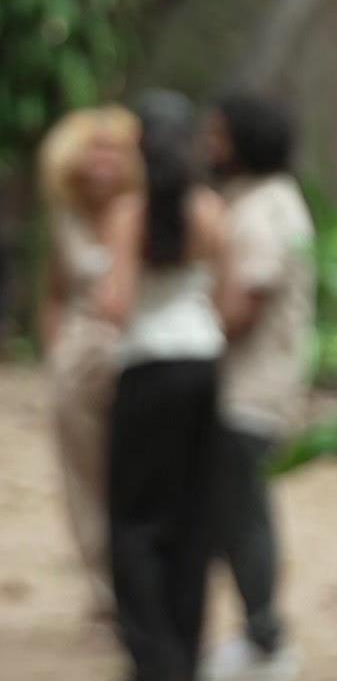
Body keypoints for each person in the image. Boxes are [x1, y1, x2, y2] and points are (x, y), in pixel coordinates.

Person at [97, 90, 230, 681]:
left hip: (147, 366)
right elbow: (223, 292)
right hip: (202, 363)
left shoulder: (129, 213)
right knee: (193, 516)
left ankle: (154, 657)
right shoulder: (210, 208)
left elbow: (116, 303)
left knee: (133, 520)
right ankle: (186, 648)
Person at [199, 92, 315, 681]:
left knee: (244, 519)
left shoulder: (263, 210)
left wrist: (187, 329)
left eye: (218, 135)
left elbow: (248, 299)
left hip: (251, 391)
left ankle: (266, 640)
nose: (209, 146)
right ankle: (256, 633)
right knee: (238, 516)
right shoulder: (268, 200)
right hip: (259, 387)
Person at [37, 105, 144, 620]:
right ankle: (104, 586)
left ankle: (139, 582)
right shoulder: (68, 219)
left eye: (115, 150)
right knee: (83, 475)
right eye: (94, 149)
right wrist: (56, 351)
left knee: (133, 473)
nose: (104, 161)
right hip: (77, 364)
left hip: (135, 355)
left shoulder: (145, 211)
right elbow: (55, 292)